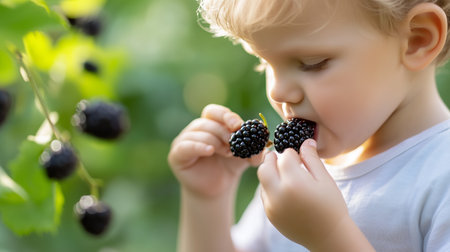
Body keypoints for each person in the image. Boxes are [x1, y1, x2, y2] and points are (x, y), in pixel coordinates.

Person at [168, 0, 450, 251]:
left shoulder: (440, 179)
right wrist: (208, 199)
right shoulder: (296, 170)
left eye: (311, 63)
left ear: (417, 39)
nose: (277, 91)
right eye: (264, 63)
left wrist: (329, 236)